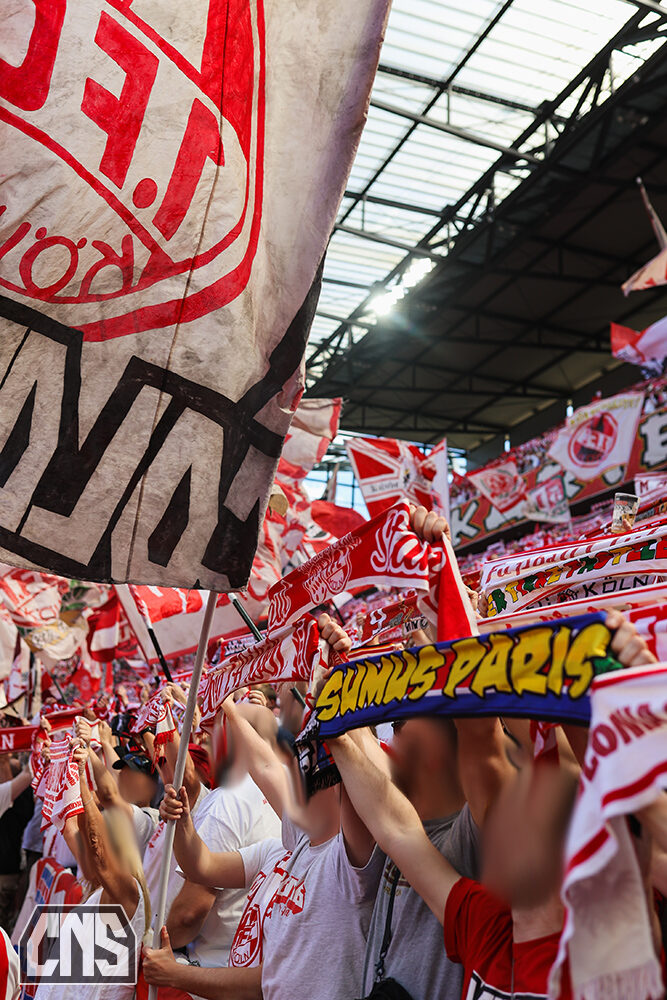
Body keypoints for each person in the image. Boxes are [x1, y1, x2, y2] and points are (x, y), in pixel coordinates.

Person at [326, 610, 659, 1000]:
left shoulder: (617, 942)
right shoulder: (486, 926)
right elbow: (396, 828)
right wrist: (333, 725)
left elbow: (616, 788)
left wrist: (616, 681)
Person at [144, 617, 384, 1000]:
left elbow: (267, 980)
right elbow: (200, 865)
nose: (299, 759)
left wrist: (340, 679)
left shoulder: (351, 860)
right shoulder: (291, 846)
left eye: (310, 752)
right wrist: (185, 820)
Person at [35, 740, 150, 1000]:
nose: (93, 839)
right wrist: (61, 770)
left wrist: (83, 782)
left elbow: (98, 851)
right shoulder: (100, 886)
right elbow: (70, 828)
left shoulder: (129, 893)